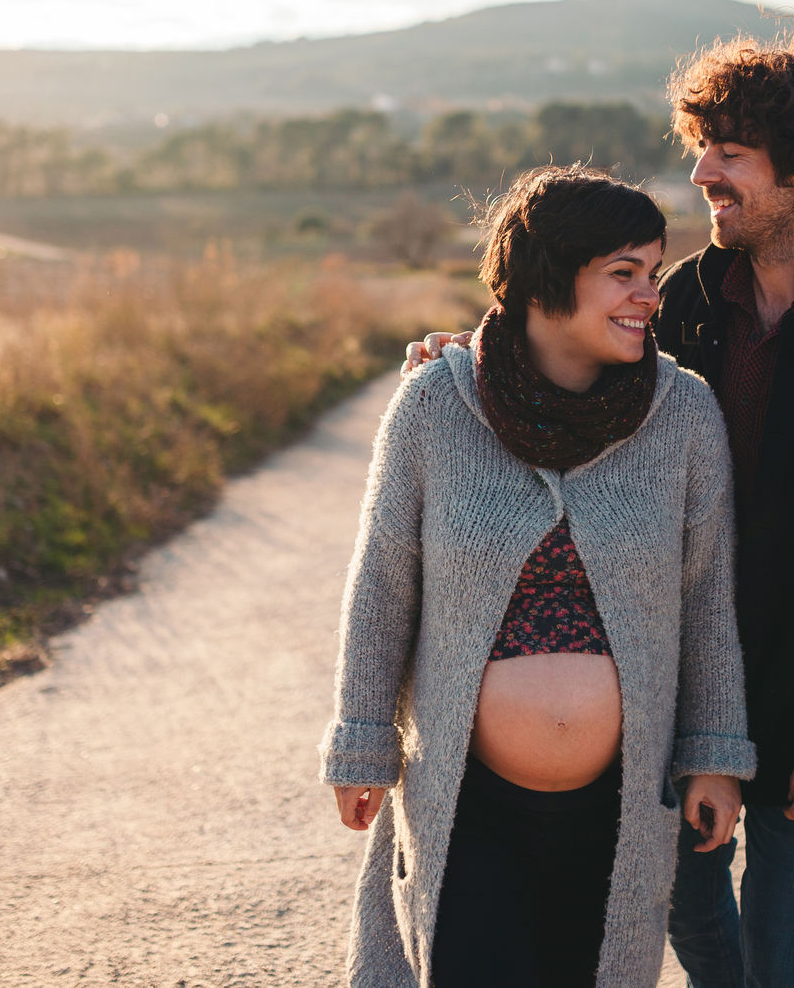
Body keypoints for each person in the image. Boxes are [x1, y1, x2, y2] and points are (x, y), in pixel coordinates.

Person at [403, 30, 794, 988]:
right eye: (700, 146)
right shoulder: (683, 302)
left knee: (790, 962)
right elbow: (573, 352)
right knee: (686, 917)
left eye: (730, 153)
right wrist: (472, 361)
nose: (700, 170)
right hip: (676, 699)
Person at [320, 165, 757, 988]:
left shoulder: (684, 414)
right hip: (467, 801)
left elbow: (706, 600)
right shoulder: (434, 407)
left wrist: (714, 755)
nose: (647, 297)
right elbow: (381, 581)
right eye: (622, 274)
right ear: (546, 281)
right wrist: (361, 738)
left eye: (653, 275)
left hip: (616, 808)